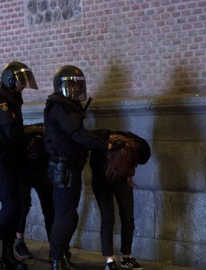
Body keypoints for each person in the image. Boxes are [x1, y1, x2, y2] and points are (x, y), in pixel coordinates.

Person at [43, 65, 125, 270]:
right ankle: (56, 259)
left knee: (68, 214)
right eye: (70, 85)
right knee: (66, 214)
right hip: (64, 168)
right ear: (61, 86)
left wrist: (98, 134)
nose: (75, 89)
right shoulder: (60, 106)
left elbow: (76, 133)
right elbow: (76, 134)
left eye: (77, 85)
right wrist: (105, 144)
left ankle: (60, 256)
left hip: (70, 167)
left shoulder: (67, 106)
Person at [0, 61, 38, 270]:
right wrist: (30, 133)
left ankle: (7, 254)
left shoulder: (14, 99)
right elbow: (11, 133)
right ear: (10, 80)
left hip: (12, 158)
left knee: (18, 206)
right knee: (11, 204)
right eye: (21, 81)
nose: (23, 85)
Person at [90, 130, 151, 270]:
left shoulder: (134, 145)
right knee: (108, 218)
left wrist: (126, 173)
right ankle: (109, 260)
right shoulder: (102, 144)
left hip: (121, 177)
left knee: (128, 218)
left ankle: (126, 257)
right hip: (101, 178)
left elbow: (141, 157)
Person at [14, 124, 54, 259]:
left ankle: (53, 246)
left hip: (42, 172)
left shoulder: (47, 136)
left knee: (49, 209)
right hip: (23, 171)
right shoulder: (22, 138)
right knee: (23, 207)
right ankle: (19, 242)